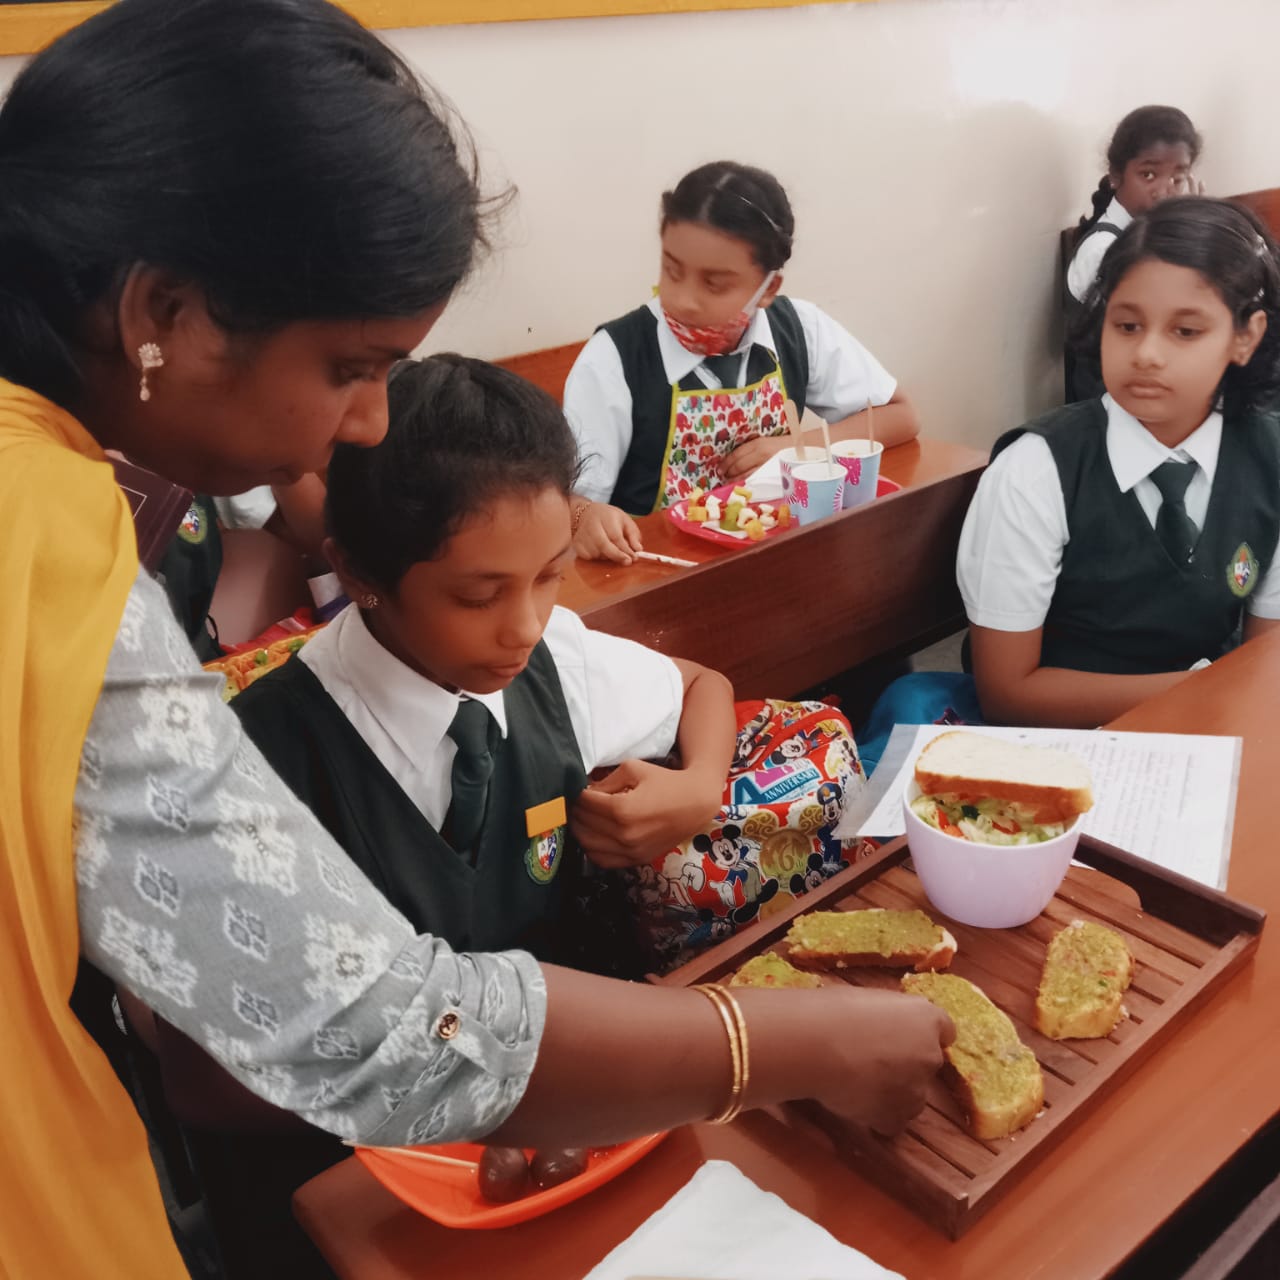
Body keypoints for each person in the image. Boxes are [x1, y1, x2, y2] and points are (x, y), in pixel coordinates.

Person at [0, 3, 952, 1277]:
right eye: (353, 364)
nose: (366, 420)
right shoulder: (41, 526)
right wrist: (779, 1042)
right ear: (164, 310)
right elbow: (343, 1015)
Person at [964, 197, 1280, 728]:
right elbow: (1008, 693)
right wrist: (1207, 689)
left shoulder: (1269, 458)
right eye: (1127, 325)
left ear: (1245, 338)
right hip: (1065, 744)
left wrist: (1222, 696)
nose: (1147, 354)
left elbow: (1264, 659)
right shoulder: (1035, 470)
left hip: (1218, 731)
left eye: (1185, 331)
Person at [563, 160, 920, 562]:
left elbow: (900, 415)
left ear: (768, 288)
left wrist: (795, 448)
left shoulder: (798, 329)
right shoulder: (615, 358)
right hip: (657, 572)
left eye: (714, 284)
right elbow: (566, 501)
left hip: (779, 558)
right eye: (672, 271)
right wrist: (582, 516)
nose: (684, 300)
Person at [1065, 106, 1203, 400]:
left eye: (1177, 178)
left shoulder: (1153, 235)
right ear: (1116, 176)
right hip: (1109, 402)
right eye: (1148, 174)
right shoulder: (1103, 250)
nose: (1164, 190)